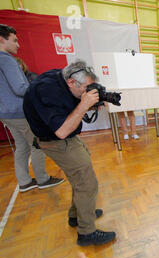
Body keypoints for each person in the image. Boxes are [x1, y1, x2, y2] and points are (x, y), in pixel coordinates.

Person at [23, 59, 116, 246]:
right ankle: (86, 233)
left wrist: (91, 101)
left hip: (66, 138)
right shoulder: (46, 91)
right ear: (72, 82)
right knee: (87, 183)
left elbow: (70, 108)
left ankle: (77, 216)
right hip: (57, 140)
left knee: (79, 178)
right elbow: (62, 131)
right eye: (86, 88)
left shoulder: (63, 77)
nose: (88, 93)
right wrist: (84, 105)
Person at [0, 24, 63, 192]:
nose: (18, 45)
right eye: (14, 40)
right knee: (38, 144)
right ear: (1, 40)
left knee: (22, 147)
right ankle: (42, 179)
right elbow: (20, 89)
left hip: (5, 113)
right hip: (19, 112)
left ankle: (25, 181)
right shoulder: (6, 60)